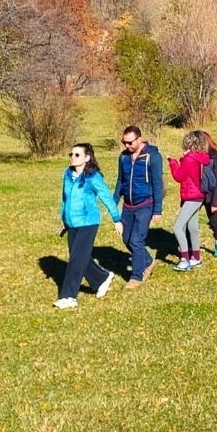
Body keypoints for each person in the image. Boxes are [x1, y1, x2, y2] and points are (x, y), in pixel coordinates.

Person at [56, 142, 120, 308]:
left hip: (88, 222)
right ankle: (101, 278)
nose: (73, 157)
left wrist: (117, 219)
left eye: (77, 155)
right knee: (79, 256)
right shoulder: (67, 174)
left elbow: (107, 197)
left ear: (87, 158)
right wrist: (63, 216)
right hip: (71, 223)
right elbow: (65, 197)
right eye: (71, 154)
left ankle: (68, 296)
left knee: (76, 258)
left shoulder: (93, 177)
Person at [114, 125, 165, 287]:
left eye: (129, 143)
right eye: (124, 142)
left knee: (136, 240)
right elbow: (120, 181)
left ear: (139, 139)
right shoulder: (123, 158)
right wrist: (113, 202)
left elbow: (157, 184)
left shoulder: (153, 157)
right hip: (127, 206)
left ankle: (136, 276)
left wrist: (157, 210)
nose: (126, 146)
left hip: (145, 204)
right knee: (127, 239)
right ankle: (149, 261)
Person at [167, 129, 217, 269]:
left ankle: (185, 259)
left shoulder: (189, 159)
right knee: (193, 227)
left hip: (191, 196)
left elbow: (178, 177)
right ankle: (196, 257)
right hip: (200, 196)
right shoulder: (202, 157)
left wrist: (173, 162)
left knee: (177, 227)